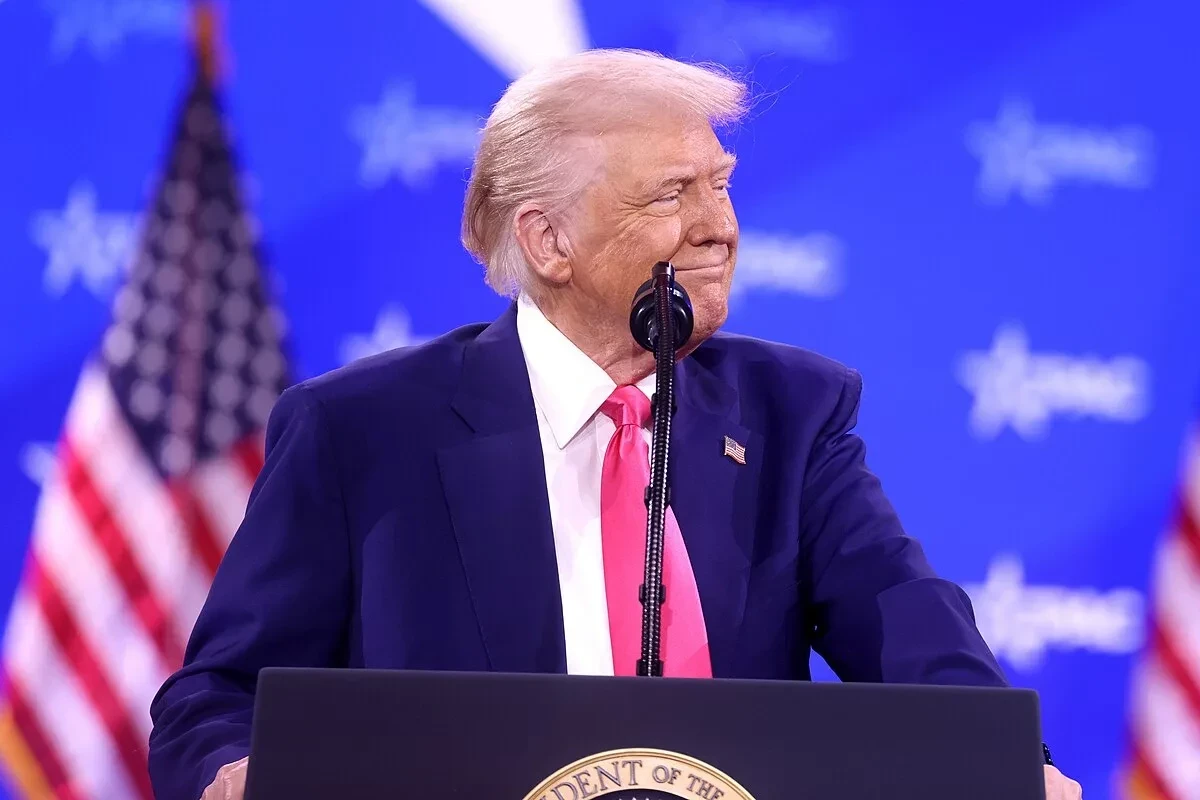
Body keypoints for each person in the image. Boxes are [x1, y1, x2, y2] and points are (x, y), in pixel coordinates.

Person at [147, 48, 1082, 800]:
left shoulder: (790, 414)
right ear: (548, 239)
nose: (718, 225)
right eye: (672, 194)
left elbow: (914, 635)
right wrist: (233, 772)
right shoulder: (363, 432)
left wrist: (1005, 766)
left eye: (721, 185)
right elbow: (218, 696)